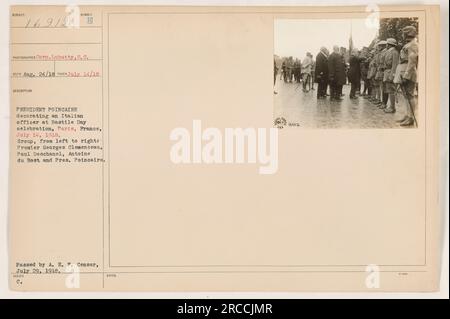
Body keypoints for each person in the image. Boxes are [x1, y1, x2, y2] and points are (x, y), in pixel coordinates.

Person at [394, 26, 418, 127]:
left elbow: (412, 62)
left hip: (408, 73)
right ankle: (407, 115)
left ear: (407, 34)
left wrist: (406, 75)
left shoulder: (413, 44)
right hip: (404, 72)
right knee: (406, 96)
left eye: (404, 33)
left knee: (410, 96)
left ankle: (411, 117)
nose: (402, 35)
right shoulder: (409, 44)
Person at [382, 38, 400, 113]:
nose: (386, 45)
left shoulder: (395, 52)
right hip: (387, 72)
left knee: (391, 91)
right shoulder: (388, 52)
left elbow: (395, 65)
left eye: (387, 44)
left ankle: (392, 108)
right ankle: (391, 106)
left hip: (390, 73)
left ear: (389, 44)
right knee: (389, 90)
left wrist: (392, 75)